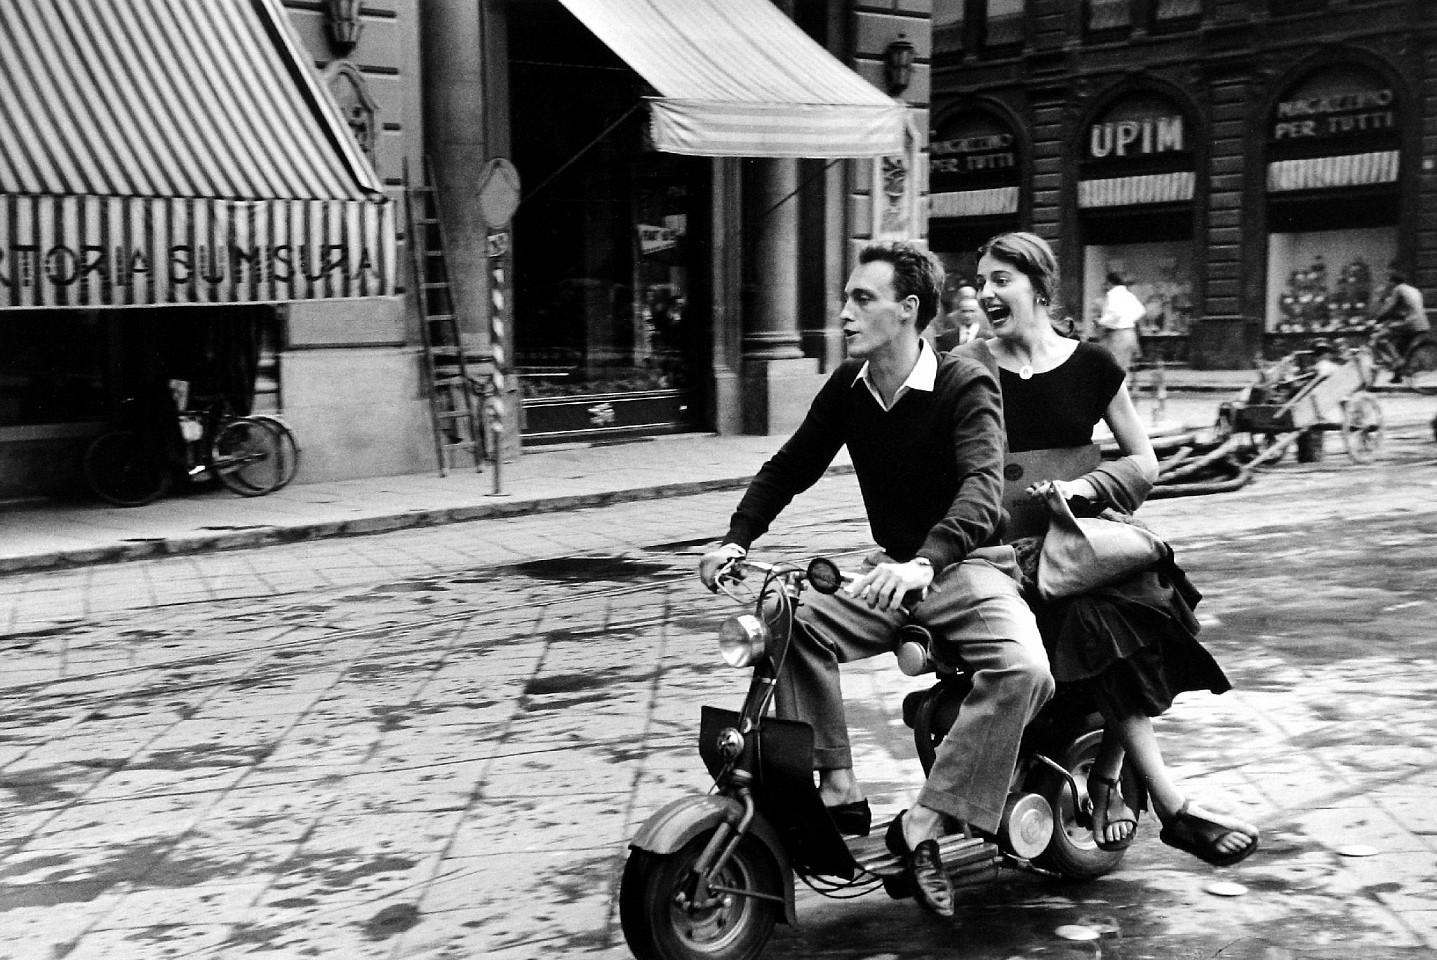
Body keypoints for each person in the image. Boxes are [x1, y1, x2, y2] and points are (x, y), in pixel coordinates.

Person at [699, 241, 1054, 917]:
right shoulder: (849, 386)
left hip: (966, 567)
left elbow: (982, 489)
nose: (843, 313)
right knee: (791, 616)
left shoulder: (963, 382)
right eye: (846, 298)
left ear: (907, 310)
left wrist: (927, 559)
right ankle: (836, 786)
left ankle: (927, 819)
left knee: (1025, 672)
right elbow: (789, 466)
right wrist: (735, 538)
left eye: (861, 299)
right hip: (890, 572)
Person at [958, 231, 1259, 868]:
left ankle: (1114, 775)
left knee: (1148, 595)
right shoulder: (968, 364)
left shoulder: (1093, 365)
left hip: (1076, 539)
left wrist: (1085, 487)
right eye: (981, 281)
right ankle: (1164, 803)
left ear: (1039, 288)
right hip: (1003, 548)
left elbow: (1143, 461)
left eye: (1000, 280)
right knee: (1102, 614)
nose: (986, 293)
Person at [1372, 270, 1430, 383]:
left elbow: (1389, 307)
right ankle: (1397, 376)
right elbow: (1409, 308)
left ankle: (1398, 362)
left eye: (1389, 281)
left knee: (1380, 338)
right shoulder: (1414, 290)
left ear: (1393, 282)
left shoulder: (1398, 289)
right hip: (1422, 323)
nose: (1388, 284)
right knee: (1400, 346)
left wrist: (1378, 319)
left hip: (1411, 323)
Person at [1096, 271, 1145, 373]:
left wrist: (1102, 322)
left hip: (1118, 335)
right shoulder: (1129, 295)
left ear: (1109, 283)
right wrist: (1128, 319)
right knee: (1123, 368)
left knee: (1113, 368)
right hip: (1130, 333)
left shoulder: (1112, 294)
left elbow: (1115, 314)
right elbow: (1141, 310)